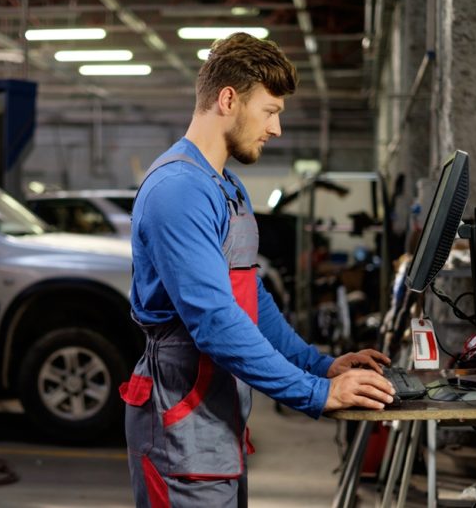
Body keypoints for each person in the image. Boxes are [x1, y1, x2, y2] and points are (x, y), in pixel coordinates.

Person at [119, 32, 395, 508]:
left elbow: (250, 300)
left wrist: (319, 365)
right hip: (179, 419)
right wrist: (314, 393)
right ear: (228, 99)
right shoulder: (179, 191)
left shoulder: (227, 187)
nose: (276, 129)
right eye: (270, 111)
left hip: (217, 418)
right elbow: (216, 323)